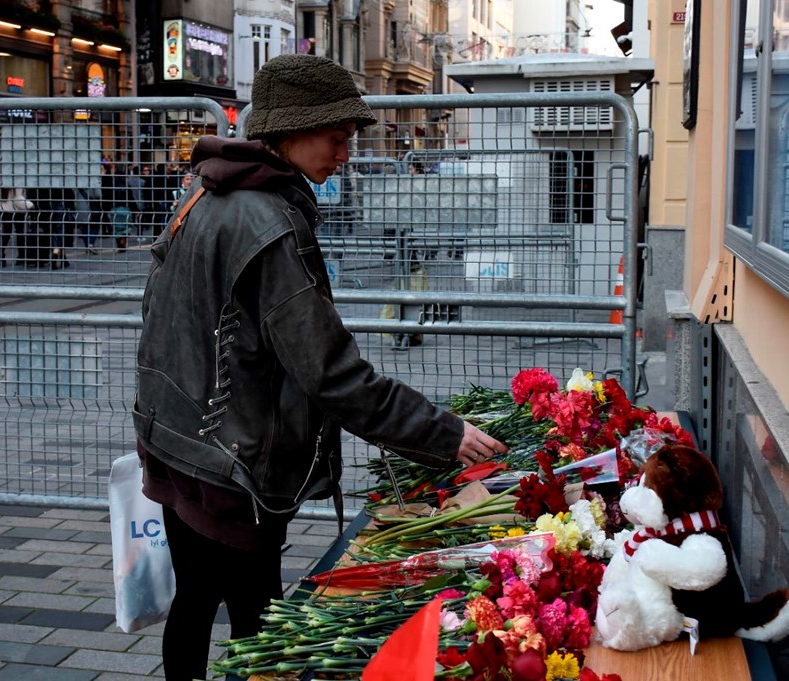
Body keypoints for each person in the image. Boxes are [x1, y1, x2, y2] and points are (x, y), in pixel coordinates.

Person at [131, 54, 509, 681]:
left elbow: (160, 318)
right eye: (337, 138)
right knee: (260, 622)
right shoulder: (270, 224)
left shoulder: (203, 189)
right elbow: (331, 373)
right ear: (292, 131)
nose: (346, 154)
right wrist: (443, 433)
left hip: (177, 443)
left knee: (195, 600)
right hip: (235, 466)